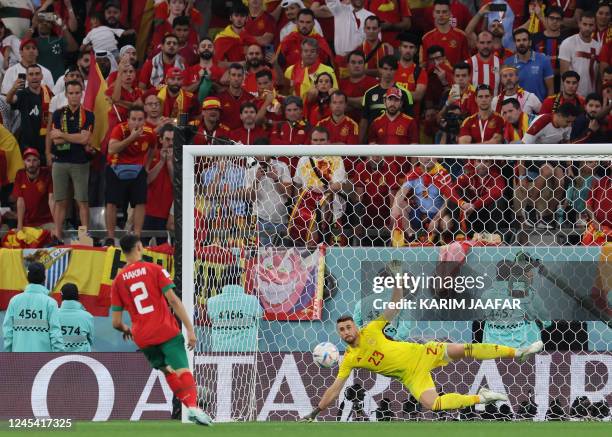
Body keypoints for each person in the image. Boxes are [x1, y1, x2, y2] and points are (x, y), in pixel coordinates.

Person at [300, 261, 544, 419]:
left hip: (423, 353)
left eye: (348, 326)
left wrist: (397, 277)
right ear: (339, 334)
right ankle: (482, 397)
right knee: (434, 404)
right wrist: (315, 412)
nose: (346, 332)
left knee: (467, 349)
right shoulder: (350, 359)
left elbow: (395, 305)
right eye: (341, 329)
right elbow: (334, 389)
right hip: (411, 376)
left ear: (355, 326)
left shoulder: (372, 329)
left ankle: (518, 352)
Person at [111, 234, 213, 425]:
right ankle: (193, 408)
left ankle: (190, 408)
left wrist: (127, 329)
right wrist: (190, 329)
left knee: (168, 371)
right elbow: (173, 300)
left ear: (123, 252)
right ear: (140, 247)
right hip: (165, 331)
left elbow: (116, 322)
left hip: (142, 336)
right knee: (182, 370)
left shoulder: (118, 281)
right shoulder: (155, 269)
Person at [48, 80, 94, 241]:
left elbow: (85, 139)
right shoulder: (58, 114)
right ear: (66, 94)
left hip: (80, 162)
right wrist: (75, 137)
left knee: (82, 201)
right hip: (59, 162)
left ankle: (84, 237)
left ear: (82, 94)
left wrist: (63, 135)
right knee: (60, 200)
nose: (74, 96)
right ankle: (57, 235)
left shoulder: (88, 114)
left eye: (77, 93)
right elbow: (56, 140)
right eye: (71, 93)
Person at [105, 106, 157, 244]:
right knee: (111, 203)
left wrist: (146, 166)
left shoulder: (150, 132)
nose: (137, 123)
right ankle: (110, 237)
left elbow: (153, 147)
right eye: (133, 119)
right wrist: (131, 137)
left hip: (137, 168)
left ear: (145, 120)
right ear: (127, 120)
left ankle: (137, 236)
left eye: (140, 119)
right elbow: (111, 149)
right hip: (116, 167)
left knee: (140, 202)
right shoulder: (120, 129)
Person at [481, 261, 550, 349]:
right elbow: (546, 320)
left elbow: (486, 317)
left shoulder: (485, 296)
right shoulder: (526, 293)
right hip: (521, 348)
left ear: (497, 274)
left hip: (493, 347)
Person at [3, 262, 64, 352]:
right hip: (44, 362)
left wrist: (9, 355)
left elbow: (8, 331)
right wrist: (58, 357)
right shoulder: (50, 303)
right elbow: (55, 333)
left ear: (28, 277)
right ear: (44, 278)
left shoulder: (14, 301)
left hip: (18, 360)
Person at [206, 265, 264, 352]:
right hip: (247, 354)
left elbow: (210, 320)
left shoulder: (211, 302)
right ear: (238, 280)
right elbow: (259, 320)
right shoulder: (251, 300)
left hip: (220, 352)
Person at [6, 64, 53, 162]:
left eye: (37, 74)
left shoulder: (48, 93)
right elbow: (9, 100)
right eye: (31, 74)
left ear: (42, 76)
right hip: (27, 145)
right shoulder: (22, 93)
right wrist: (14, 88)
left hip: (46, 144)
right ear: (27, 77)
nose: (34, 77)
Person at [246, 154, 293, 247]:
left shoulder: (282, 166)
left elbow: (288, 194)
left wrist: (276, 179)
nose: (262, 154)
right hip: (260, 219)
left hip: (281, 219)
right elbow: (250, 199)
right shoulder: (251, 170)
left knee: (280, 257)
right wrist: (256, 180)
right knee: (261, 257)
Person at [559, 11, 602, 97]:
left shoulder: (598, 47)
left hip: (591, 98)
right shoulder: (568, 43)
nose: (587, 28)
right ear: (579, 24)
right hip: (572, 96)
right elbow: (564, 75)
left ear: (595, 26)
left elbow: (599, 77)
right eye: (585, 24)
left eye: (591, 25)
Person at [504, 28, 554, 102]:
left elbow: (550, 89)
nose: (521, 43)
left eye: (524, 40)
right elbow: (507, 89)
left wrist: (546, 109)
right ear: (515, 43)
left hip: (539, 109)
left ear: (530, 42)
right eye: (518, 40)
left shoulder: (543, 60)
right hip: (516, 109)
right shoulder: (508, 63)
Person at [11, 148, 54, 232]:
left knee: (55, 235)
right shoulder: (20, 174)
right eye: (28, 160)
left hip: (46, 222)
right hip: (27, 224)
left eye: (34, 160)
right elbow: (20, 201)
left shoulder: (46, 173)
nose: (31, 164)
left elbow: (51, 199)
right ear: (24, 162)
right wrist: (19, 226)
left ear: (39, 162)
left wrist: (56, 223)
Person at [144, 124, 174, 244]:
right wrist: (161, 162)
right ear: (160, 139)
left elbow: (177, 184)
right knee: (142, 247)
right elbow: (146, 180)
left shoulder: (181, 157)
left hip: (167, 214)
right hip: (149, 210)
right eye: (167, 139)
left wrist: (170, 163)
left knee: (165, 250)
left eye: (173, 139)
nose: (170, 142)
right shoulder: (151, 154)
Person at [421, 0, 469, 66]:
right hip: (433, 76)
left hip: (455, 75)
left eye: (444, 12)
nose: (441, 15)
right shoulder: (426, 38)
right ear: (433, 14)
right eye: (438, 12)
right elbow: (424, 65)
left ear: (450, 13)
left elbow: (467, 62)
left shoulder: (461, 36)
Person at [58, 282, 94, 352]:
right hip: (82, 359)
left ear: (61, 296)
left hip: (56, 360)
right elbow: (91, 341)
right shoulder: (88, 317)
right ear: (77, 296)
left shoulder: (52, 314)